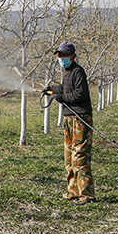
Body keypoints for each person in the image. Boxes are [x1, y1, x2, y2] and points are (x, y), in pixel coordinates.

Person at [42, 42, 94, 203]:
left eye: (63, 55)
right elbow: (65, 89)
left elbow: (79, 94)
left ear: (72, 56)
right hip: (69, 119)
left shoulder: (78, 72)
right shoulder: (66, 72)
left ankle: (87, 194)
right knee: (69, 156)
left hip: (80, 118)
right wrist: (52, 89)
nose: (60, 58)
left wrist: (61, 97)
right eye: (59, 55)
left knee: (79, 156)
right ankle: (73, 191)